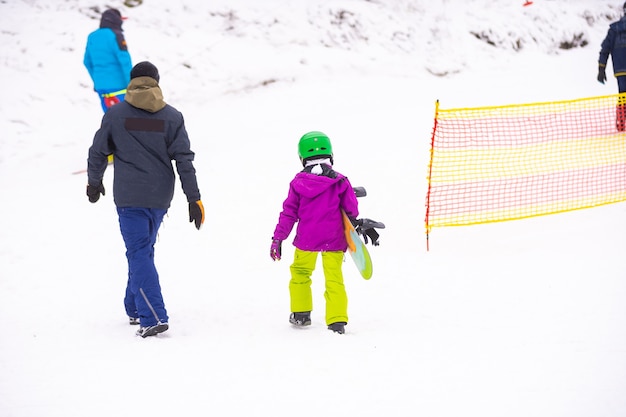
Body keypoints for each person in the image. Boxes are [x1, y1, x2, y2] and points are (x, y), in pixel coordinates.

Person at [86, 61, 205, 338]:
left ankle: (151, 316)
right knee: (142, 251)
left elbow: (97, 151)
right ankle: (134, 307)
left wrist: (94, 182)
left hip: (129, 197)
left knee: (139, 252)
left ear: (131, 82)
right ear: (156, 82)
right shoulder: (172, 117)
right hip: (160, 197)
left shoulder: (116, 116)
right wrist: (193, 198)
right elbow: (184, 160)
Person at [270, 131, 360, 335]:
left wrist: (278, 238)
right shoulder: (340, 181)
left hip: (307, 240)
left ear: (302, 158)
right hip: (334, 240)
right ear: (331, 155)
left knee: (301, 272)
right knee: (334, 277)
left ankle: (301, 314)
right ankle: (337, 321)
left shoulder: (298, 183)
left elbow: (289, 213)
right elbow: (352, 210)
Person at [84, 8, 133, 113]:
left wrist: (97, 81)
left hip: (102, 88)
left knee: (111, 120)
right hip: (120, 87)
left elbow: (87, 62)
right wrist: (133, 84)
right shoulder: (116, 35)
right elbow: (125, 61)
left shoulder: (92, 37)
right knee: (128, 120)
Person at [598, 1, 626, 131]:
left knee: (623, 95)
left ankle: (621, 123)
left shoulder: (614, 29)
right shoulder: (614, 29)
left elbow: (605, 49)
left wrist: (601, 69)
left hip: (620, 70)